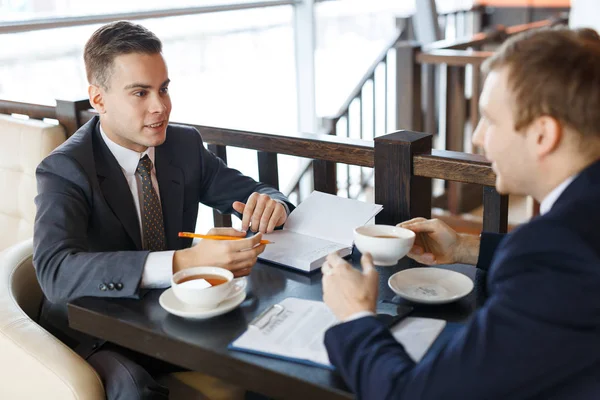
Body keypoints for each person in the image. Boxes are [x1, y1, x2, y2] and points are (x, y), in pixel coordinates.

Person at [321, 26, 600, 399]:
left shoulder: (553, 253)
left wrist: (355, 316)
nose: (477, 138)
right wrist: (466, 248)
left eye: (490, 120)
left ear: (542, 135)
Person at [33, 21, 293, 400]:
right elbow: (54, 273)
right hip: (97, 330)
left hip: (172, 316)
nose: (161, 107)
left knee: (274, 361)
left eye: (164, 88)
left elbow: (257, 192)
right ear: (99, 99)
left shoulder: (183, 145)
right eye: (140, 92)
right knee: (134, 390)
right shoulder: (65, 168)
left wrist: (274, 205)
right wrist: (183, 262)